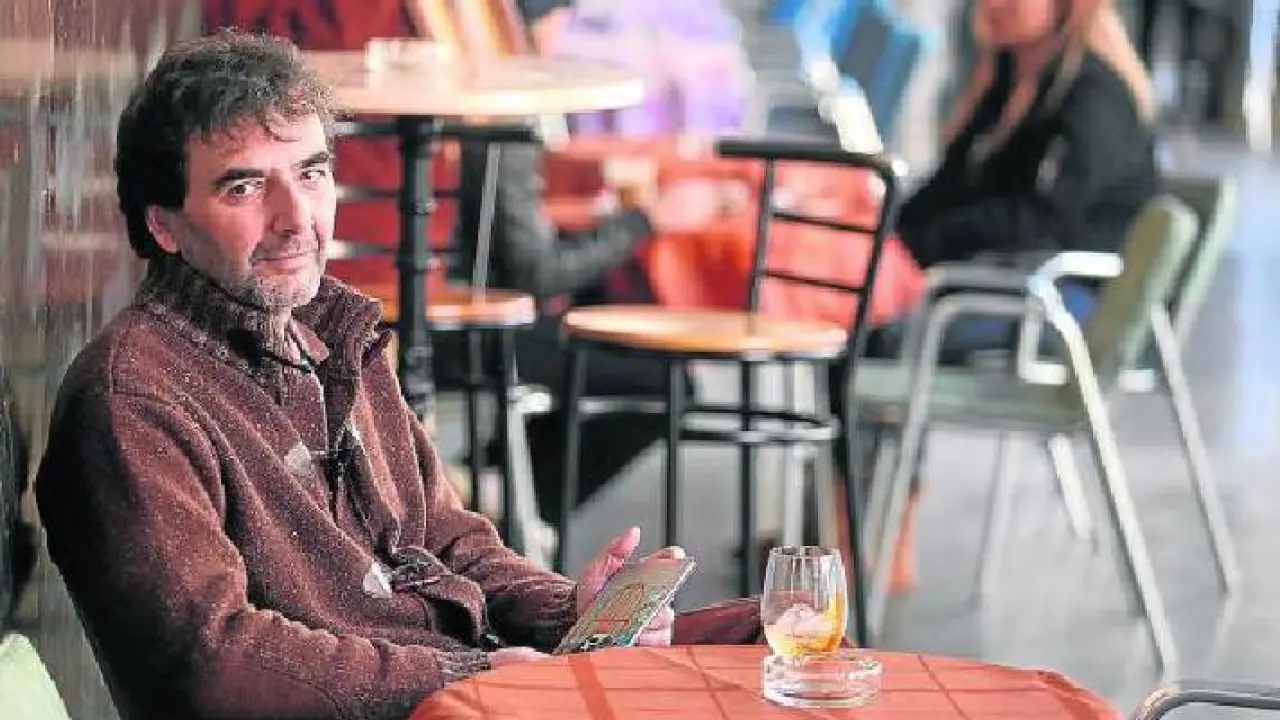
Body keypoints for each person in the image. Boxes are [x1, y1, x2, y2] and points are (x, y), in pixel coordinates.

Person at [34, 31, 747, 720]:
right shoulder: (133, 400)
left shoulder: (333, 334)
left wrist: (572, 612)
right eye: (244, 187)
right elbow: (217, 663)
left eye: (312, 173)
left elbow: (451, 542)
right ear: (163, 225)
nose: (295, 219)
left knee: (766, 634)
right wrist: (470, 678)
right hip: (435, 705)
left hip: (468, 688)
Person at [440, 0, 720, 530]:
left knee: (620, 351)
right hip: (468, 326)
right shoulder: (503, 112)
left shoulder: (473, 97)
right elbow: (539, 275)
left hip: (449, 312)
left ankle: (491, 489)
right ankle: (509, 515)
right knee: (667, 383)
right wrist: (648, 219)